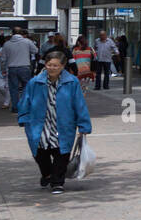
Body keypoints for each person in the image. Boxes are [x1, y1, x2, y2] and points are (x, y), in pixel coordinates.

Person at [16, 51, 92, 195]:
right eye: (49, 65)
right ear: (45, 65)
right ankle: (47, 174)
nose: (52, 68)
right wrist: (24, 118)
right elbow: (25, 101)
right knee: (39, 153)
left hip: (63, 125)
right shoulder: (35, 82)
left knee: (61, 154)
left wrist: (84, 125)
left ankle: (57, 182)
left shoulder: (72, 82)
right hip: (39, 125)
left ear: (63, 66)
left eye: (56, 65)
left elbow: (79, 104)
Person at [1, 28, 37, 112]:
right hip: (25, 67)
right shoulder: (27, 42)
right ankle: (24, 105)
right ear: (21, 33)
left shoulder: (7, 44)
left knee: (13, 88)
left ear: (12, 33)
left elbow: (3, 59)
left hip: (12, 68)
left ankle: (15, 107)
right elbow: (35, 50)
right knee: (26, 87)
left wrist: (3, 69)